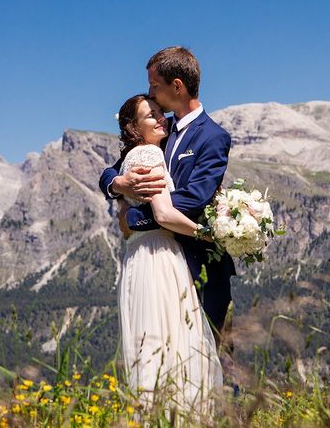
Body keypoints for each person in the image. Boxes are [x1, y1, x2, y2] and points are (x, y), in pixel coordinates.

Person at [100, 46, 237, 342]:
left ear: (177, 86)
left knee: (210, 354)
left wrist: (135, 217)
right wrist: (119, 184)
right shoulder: (160, 129)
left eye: (154, 86)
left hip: (202, 265)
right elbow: (109, 172)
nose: (149, 91)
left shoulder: (213, 137)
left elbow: (194, 197)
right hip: (163, 265)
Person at [111, 93, 222, 415]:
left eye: (161, 111)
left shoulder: (136, 154)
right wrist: (211, 235)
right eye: (152, 115)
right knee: (172, 341)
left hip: (142, 255)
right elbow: (163, 215)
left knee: (152, 342)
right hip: (159, 255)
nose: (162, 118)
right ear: (133, 127)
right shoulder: (147, 153)